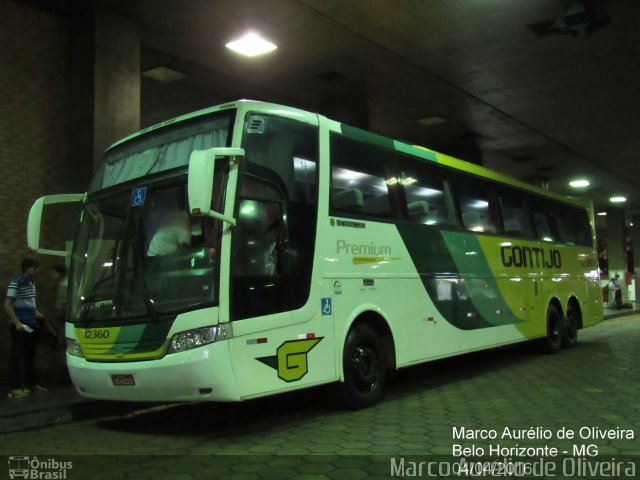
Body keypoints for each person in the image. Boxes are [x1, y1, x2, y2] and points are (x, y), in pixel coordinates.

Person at [4, 258, 47, 398]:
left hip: (32, 324)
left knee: (30, 356)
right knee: (16, 356)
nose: (37, 270)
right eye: (35, 268)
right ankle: (14, 388)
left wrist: (36, 313)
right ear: (26, 268)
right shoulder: (17, 282)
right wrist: (17, 323)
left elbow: (29, 303)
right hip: (20, 325)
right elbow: (7, 305)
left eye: (37, 268)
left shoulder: (31, 283)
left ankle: (31, 385)